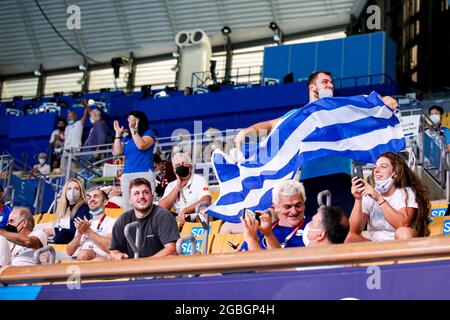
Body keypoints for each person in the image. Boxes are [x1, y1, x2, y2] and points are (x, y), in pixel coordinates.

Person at [234, 71, 399, 218]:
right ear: (313, 88)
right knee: (313, 229)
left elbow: (365, 105)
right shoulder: (298, 116)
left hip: (341, 179)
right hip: (310, 181)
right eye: (325, 82)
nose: (331, 85)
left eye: (331, 82)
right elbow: (271, 125)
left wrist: (385, 99)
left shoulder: (339, 110)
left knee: (344, 228)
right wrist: (246, 132)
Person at [345, 152, 430, 243]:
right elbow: (354, 231)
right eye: (375, 167)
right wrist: (358, 199)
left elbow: (402, 224)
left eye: (383, 166)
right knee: (348, 237)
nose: (376, 170)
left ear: (396, 173)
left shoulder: (406, 192)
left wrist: (379, 198)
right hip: (375, 245)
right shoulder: (368, 195)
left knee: (403, 232)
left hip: (399, 244)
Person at [109, 178, 179, 260]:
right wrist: (118, 255)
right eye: (136, 193)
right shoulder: (123, 219)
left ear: (152, 197)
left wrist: (144, 264)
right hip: (132, 269)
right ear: (130, 200)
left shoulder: (163, 215)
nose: (141, 196)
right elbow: (113, 251)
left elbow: (172, 249)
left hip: (161, 268)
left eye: (145, 192)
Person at [240, 180, 311, 251]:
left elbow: (281, 260)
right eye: (287, 207)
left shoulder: (313, 227)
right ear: (275, 207)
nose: (294, 211)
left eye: (298, 205)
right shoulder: (262, 230)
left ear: (304, 204)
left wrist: (266, 235)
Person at [113, 111, 156, 211]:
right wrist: (118, 134)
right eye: (129, 119)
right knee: (128, 205)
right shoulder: (127, 138)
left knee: (145, 203)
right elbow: (117, 151)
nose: (131, 122)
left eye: (133, 119)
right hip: (127, 173)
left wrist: (133, 129)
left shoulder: (149, 133)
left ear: (141, 120)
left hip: (143, 171)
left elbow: (141, 145)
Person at [159, 153, 212, 227]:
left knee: (204, 209)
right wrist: (178, 186)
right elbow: (162, 207)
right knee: (161, 215)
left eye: (183, 164)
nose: (181, 167)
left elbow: (206, 200)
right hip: (178, 219)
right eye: (177, 166)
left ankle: (203, 236)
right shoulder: (171, 185)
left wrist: (185, 211)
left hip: (196, 216)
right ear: (174, 170)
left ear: (190, 167)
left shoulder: (199, 180)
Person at [67, 189, 116, 261]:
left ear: (105, 202)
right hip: (76, 258)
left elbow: (110, 247)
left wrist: (87, 231)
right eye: (89, 197)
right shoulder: (83, 224)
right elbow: (69, 252)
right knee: (47, 254)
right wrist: (79, 234)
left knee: (84, 254)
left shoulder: (112, 222)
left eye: (95, 196)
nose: (91, 199)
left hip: (97, 258)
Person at [44, 178, 90, 244]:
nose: (72, 191)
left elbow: (79, 230)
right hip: (56, 237)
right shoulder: (63, 206)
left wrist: (56, 231)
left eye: (76, 188)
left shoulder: (83, 207)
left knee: (62, 234)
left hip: (71, 240)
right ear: (65, 192)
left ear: (81, 192)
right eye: (69, 189)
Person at [60, 102, 90, 173]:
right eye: (68, 116)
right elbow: (66, 139)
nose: (69, 117)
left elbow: (85, 115)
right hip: (65, 151)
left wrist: (85, 106)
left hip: (74, 151)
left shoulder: (79, 124)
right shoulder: (67, 127)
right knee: (63, 170)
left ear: (75, 117)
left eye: (71, 116)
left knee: (73, 170)